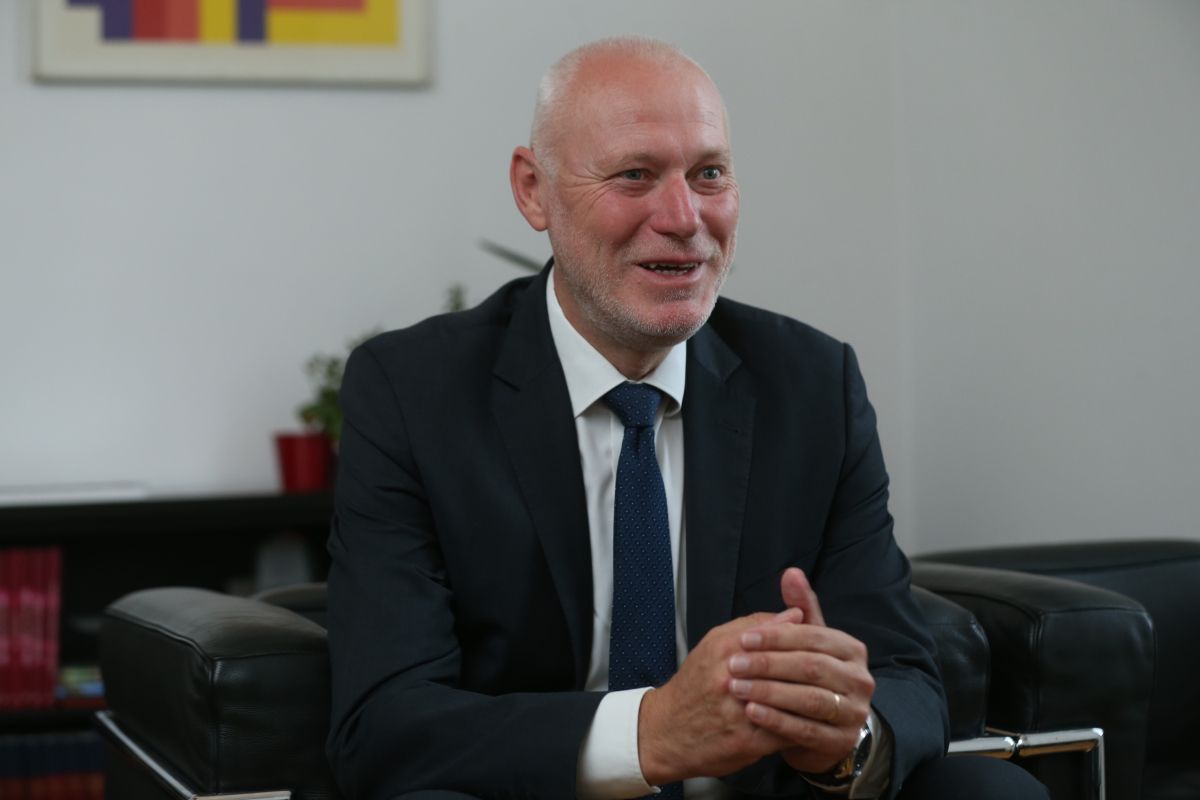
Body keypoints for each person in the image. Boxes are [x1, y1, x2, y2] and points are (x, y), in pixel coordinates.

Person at [326, 36, 1048, 800]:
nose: (684, 217)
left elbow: (903, 674)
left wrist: (842, 738)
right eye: (634, 175)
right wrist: (652, 733)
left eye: (709, 174)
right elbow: (384, 723)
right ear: (534, 190)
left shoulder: (811, 384)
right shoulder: (413, 392)